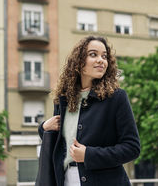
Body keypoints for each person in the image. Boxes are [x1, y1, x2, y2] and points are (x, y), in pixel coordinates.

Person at [38, 36, 140, 186]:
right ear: (79, 62)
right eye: (93, 54)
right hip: (66, 180)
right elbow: (58, 144)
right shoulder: (64, 99)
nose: (101, 60)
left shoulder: (116, 97)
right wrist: (44, 128)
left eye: (104, 56)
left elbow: (132, 148)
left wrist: (89, 155)